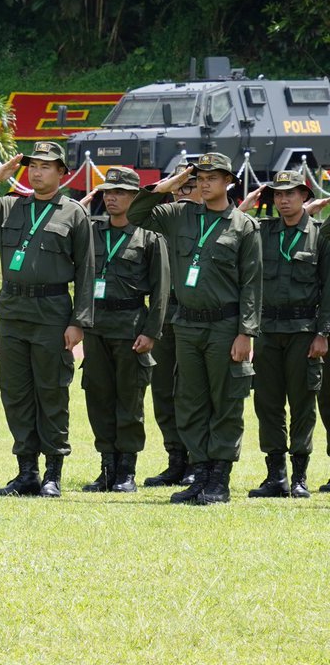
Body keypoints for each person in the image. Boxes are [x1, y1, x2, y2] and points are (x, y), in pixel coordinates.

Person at [0, 141, 95, 497]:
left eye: (46, 166)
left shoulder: (73, 212)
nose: (36, 172)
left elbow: (87, 271)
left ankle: (53, 473)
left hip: (52, 312)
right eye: (32, 165)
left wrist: (79, 321)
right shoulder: (10, 205)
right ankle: (26, 472)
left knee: (51, 392)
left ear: (63, 173)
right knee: (15, 392)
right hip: (13, 313)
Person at [126, 153, 262, 504]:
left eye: (212, 177)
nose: (204, 182)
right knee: (191, 401)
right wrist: (171, 183)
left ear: (229, 181)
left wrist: (246, 332)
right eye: (199, 176)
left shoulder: (243, 225)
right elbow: (137, 212)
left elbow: (252, 284)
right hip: (186, 324)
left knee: (226, 401)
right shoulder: (179, 215)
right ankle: (199, 475)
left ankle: (219, 479)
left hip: (224, 326)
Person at [235, 171, 330, 498]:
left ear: (305, 195)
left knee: (303, 402)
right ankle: (275, 475)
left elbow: (329, 289)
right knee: (268, 402)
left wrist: (323, 333)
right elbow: (232, 227)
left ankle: (300, 477)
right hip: (267, 331)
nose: (283, 200)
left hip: (304, 331)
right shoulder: (262, 232)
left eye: (290, 194)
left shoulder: (319, 235)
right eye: (277, 195)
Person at [76, 167, 169, 493]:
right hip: (96, 328)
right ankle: (107, 468)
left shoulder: (150, 236)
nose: (111, 198)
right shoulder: (93, 232)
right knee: (98, 397)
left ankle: (127, 470)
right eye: (107, 192)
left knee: (129, 401)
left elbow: (160, 290)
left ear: (135, 197)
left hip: (131, 328)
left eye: (119, 193)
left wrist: (152, 332)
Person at [142, 163, 203, 487]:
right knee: (164, 391)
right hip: (165, 314)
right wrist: (167, 186)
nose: (182, 191)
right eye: (177, 185)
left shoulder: (216, 223)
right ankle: (175, 459)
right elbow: (139, 208)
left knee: (192, 392)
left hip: (201, 316)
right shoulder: (163, 221)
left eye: (189, 185)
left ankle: (197, 460)